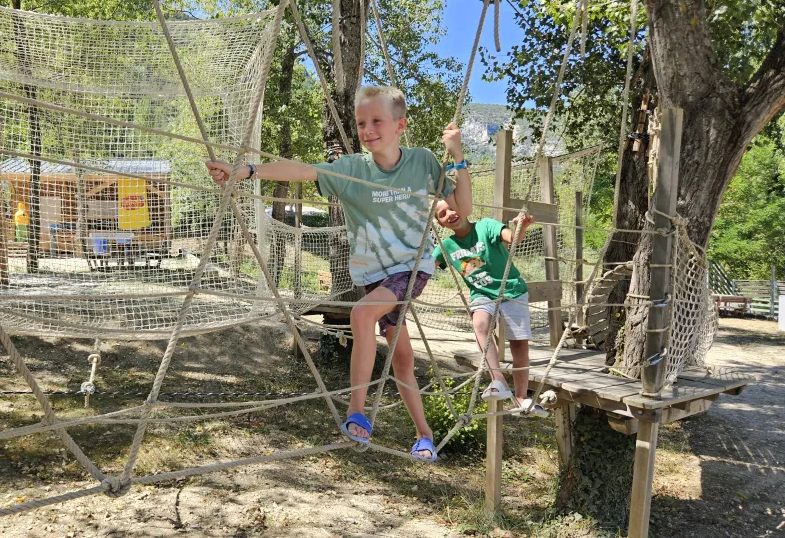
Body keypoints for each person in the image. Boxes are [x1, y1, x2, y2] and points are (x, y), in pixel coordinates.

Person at [207, 86, 473, 462]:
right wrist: (248, 170)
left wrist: (458, 156)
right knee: (402, 360)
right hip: (371, 274)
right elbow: (302, 170)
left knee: (361, 313)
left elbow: (465, 206)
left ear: (400, 126)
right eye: (361, 122)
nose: (367, 129)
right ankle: (424, 435)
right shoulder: (351, 169)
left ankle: (356, 411)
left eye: (376, 120)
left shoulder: (424, 162)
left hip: (411, 268)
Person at [432, 198, 550, 417]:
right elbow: (427, 266)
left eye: (452, 207)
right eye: (442, 214)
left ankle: (522, 397)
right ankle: (498, 380)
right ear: (441, 224)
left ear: (463, 207)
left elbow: (513, 239)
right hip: (482, 294)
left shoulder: (486, 226)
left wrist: (520, 227)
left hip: (512, 289)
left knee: (519, 345)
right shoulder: (446, 246)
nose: (449, 213)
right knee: (479, 324)